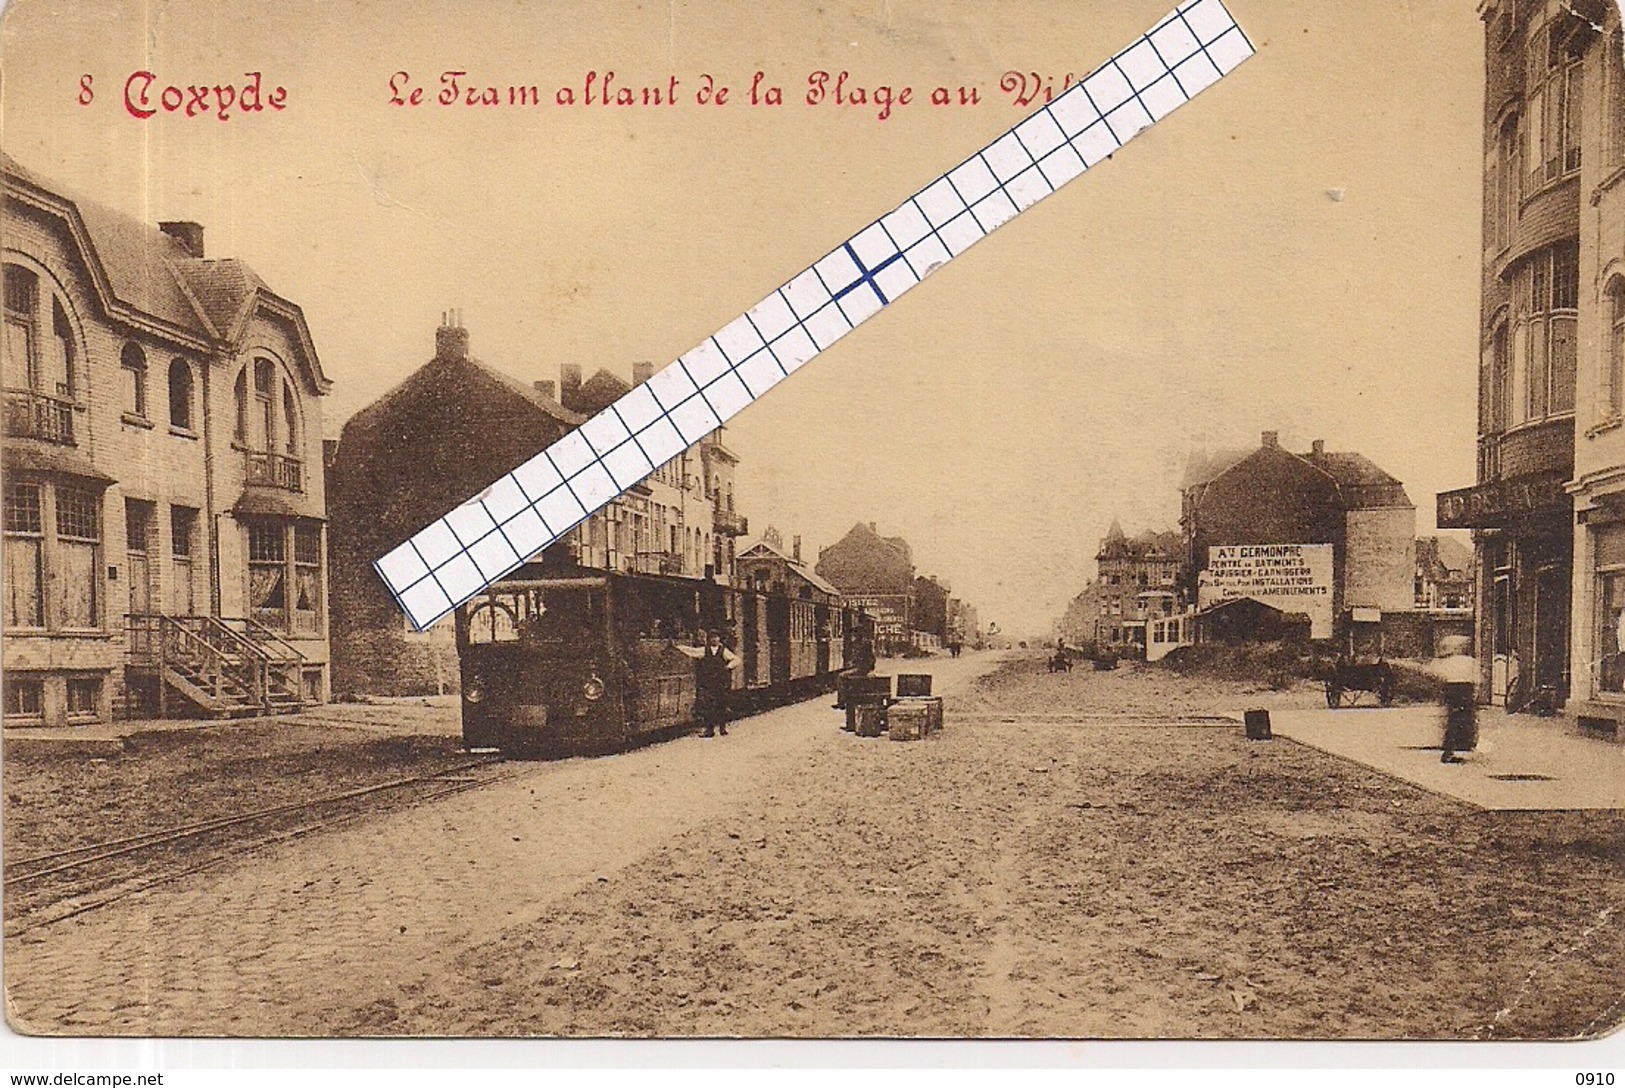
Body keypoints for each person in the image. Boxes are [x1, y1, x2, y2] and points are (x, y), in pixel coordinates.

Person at [676, 629, 739, 737]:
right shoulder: (704, 650)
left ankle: (722, 728)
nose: (714, 639)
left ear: (719, 639)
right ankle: (709, 730)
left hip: (720, 682)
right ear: (709, 639)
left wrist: (728, 667)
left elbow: (736, 659)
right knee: (709, 706)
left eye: (716, 637)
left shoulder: (723, 650)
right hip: (709, 682)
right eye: (712, 638)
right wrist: (678, 647)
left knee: (721, 705)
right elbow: (692, 651)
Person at [1428, 634, 1478, 764]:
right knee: (1465, 718)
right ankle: (1461, 745)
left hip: (1450, 689)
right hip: (1465, 689)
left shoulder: (1445, 661)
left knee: (1453, 718)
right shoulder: (1470, 661)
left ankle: (1451, 748)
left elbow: (1436, 675)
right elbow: (1476, 678)